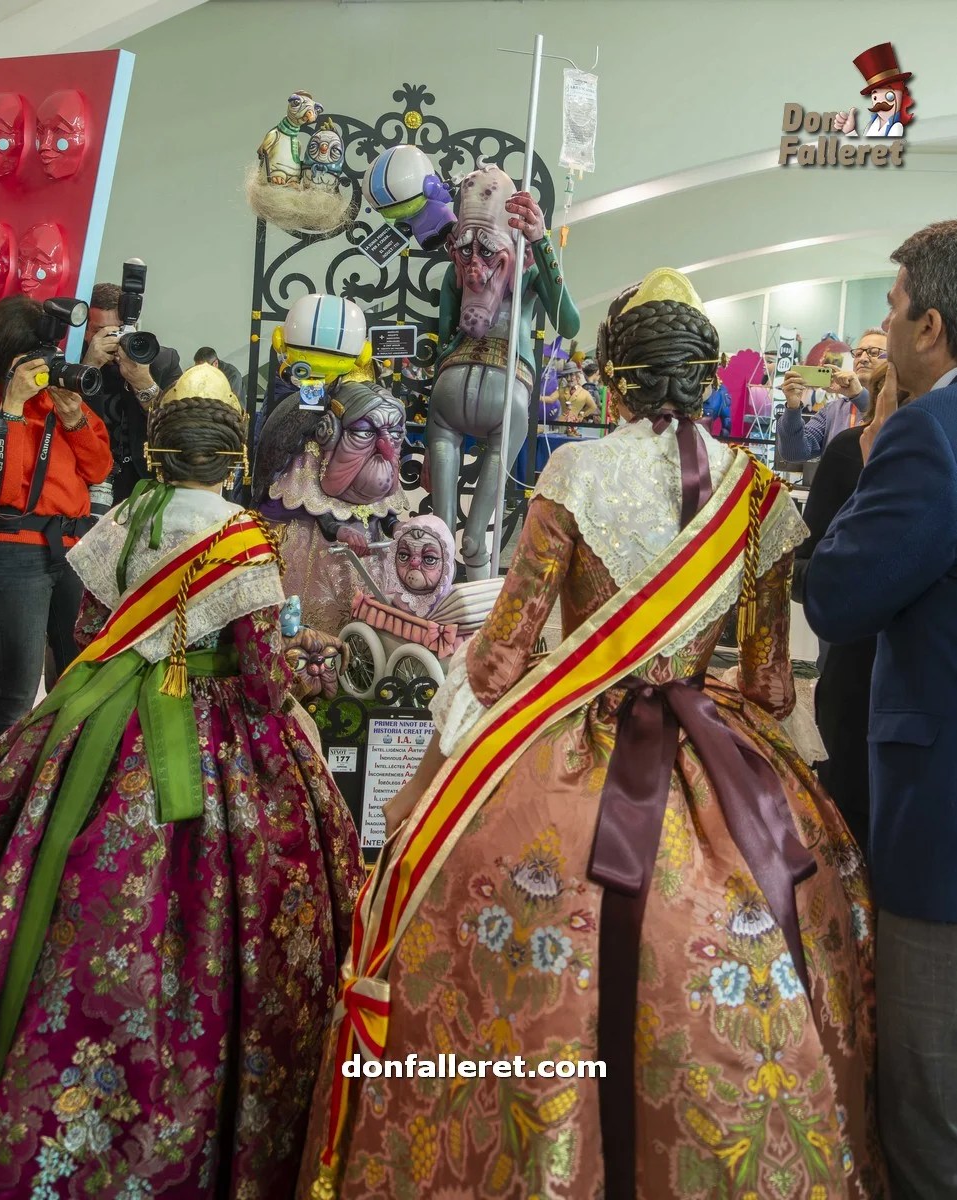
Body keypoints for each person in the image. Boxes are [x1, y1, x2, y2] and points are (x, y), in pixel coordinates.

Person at [297, 270, 886, 1200]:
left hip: (570, 753)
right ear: (705, 382)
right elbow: (771, 686)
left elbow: (500, 658)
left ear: (611, 382)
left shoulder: (573, 472)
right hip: (717, 752)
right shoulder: (758, 490)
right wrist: (710, 681)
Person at [0, 364, 364, 1197]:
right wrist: (299, 682)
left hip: (105, 717)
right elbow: (262, 674)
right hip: (214, 742)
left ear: (157, 455)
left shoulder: (127, 517)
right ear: (231, 459)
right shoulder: (243, 534)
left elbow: (90, 629)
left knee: (56, 867)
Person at [805, 220, 957, 1200]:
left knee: (926, 1102)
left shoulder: (929, 437)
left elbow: (839, 594)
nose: (883, 324)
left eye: (894, 308)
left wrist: (868, 456)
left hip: (941, 825)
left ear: (930, 328)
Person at [792, 361, 907, 856]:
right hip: (853, 676)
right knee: (847, 833)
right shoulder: (848, 451)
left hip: (915, 691)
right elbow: (807, 570)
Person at [0, 294, 112, 738]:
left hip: (71, 550)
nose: (42, 371)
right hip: (15, 552)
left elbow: (99, 468)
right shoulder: (7, 407)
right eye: (30, 361)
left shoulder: (60, 402)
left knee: (75, 681)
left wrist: (74, 419)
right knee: (15, 692)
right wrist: (10, 409)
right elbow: (4, 490)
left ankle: (51, 789)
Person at [81, 282, 183, 504]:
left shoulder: (161, 361)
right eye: (99, 331)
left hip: (141, 483)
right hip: (82, 477)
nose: (111, 340)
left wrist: (143, 382)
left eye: (117, 331)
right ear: (84, 329)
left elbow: (180, 427)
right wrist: (87, 368)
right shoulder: (72, 359)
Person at [776, 328, 886, 462]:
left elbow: (886, 426)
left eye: (873, 352)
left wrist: (859, 395)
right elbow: (793, 453)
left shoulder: (903, 404)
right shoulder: (833, 411)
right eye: (858, 354)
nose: (862, 359)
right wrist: (792, 407)